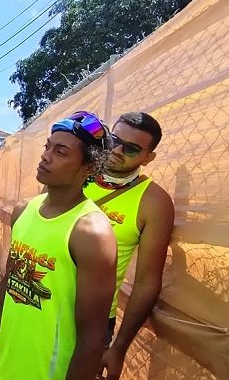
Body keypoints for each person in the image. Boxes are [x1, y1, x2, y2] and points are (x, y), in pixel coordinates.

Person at [0, 111, 117, 380]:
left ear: (88, 167)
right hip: (0, 366)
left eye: (61, 152)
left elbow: (92, 334)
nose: (46, 156)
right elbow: (11, 281)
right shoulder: (24, 211)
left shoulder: (90, 231)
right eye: (47, 147)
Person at [83, 112, 174, 380]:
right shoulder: (77, 170)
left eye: (131, 148)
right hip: (41, 298)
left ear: (148, 157)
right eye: (113, 140)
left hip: (92, 320)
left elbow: (147, 282)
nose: (117, 150)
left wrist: (119, 347)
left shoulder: (153, 202)